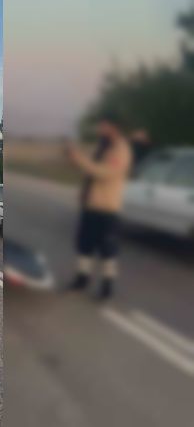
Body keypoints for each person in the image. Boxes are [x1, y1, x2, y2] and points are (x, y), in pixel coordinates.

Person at [66, 113, 132, 300]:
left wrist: (80, 160)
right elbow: (89, 169)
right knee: (84, 244)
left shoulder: (120, 149)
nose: (101, 129)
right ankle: (82, 279)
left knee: (107, 249)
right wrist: (75, 159)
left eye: (104, 126)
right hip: (91, 206)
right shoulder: (102, 146)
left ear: (114, 127)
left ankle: (107, 286)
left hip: (107, 208)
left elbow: (105, 173)